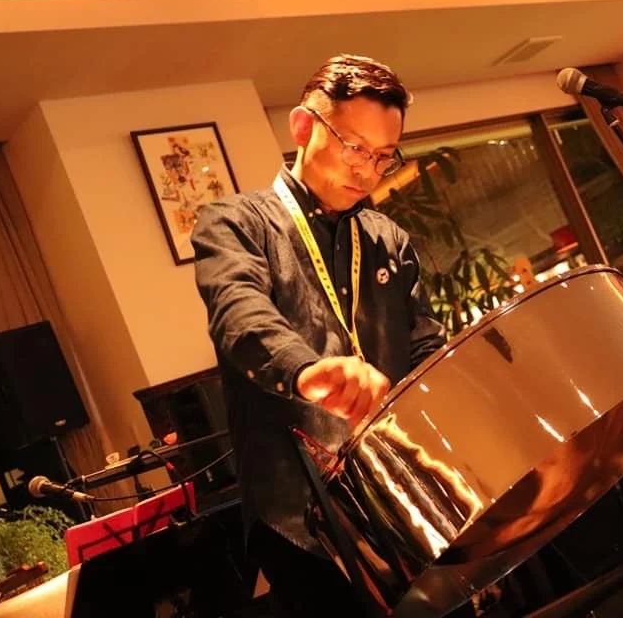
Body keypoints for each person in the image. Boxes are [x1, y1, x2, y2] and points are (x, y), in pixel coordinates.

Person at [191, 54, 447, 616]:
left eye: (383, 156)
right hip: (300, 514)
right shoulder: (234, 223)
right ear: (304, 126)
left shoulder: (388, 240)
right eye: (355, 147)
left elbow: (424, 343)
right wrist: (306, 370)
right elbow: (239, 314)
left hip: (401, 493)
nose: (368, 170)